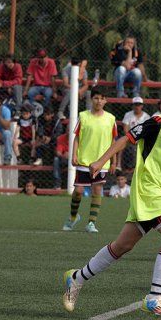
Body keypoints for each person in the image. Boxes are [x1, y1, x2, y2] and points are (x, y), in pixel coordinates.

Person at [62, 79, 161, 319]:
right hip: (148, 191)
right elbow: (126, 139)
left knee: (122, 246)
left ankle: (77, 278)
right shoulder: (158, 122)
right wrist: (100, 161)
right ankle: (155, 297)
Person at [62, 87, 118, 234]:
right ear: (91, 99)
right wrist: (74, 155)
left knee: (97, 191)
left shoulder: (111, 119)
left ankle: (91, 223)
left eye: (102, 98)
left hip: (102, 162)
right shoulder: (83, 116)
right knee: (78, 191)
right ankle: (73, 217)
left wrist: (114, 161)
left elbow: (114, 141)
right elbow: (77, 137)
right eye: (96, 98)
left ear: (106, 101)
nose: (99, 101)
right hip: (84, 161)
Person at [120, 96, 151, 170]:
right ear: (133, 105)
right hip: (130, 137)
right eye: (135, 104)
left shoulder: (147, 116)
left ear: (142, 106)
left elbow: (148, 131)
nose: (137, 106)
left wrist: (138, 140)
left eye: (139, 104)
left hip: (142, 139)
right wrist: (132, 139)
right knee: (121, 145)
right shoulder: (128, 114)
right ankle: (119, 165)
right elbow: (125, 129)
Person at [54, 123, 69, 189]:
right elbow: (58, 152)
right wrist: (63, 155)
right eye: (68, 130)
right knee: (56, 159)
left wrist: (71, 154)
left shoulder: (79, 138)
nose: (69, 132)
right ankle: (57, 184)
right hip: (64, 159)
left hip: (76, 158)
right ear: (66, 130)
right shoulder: (61, 138)